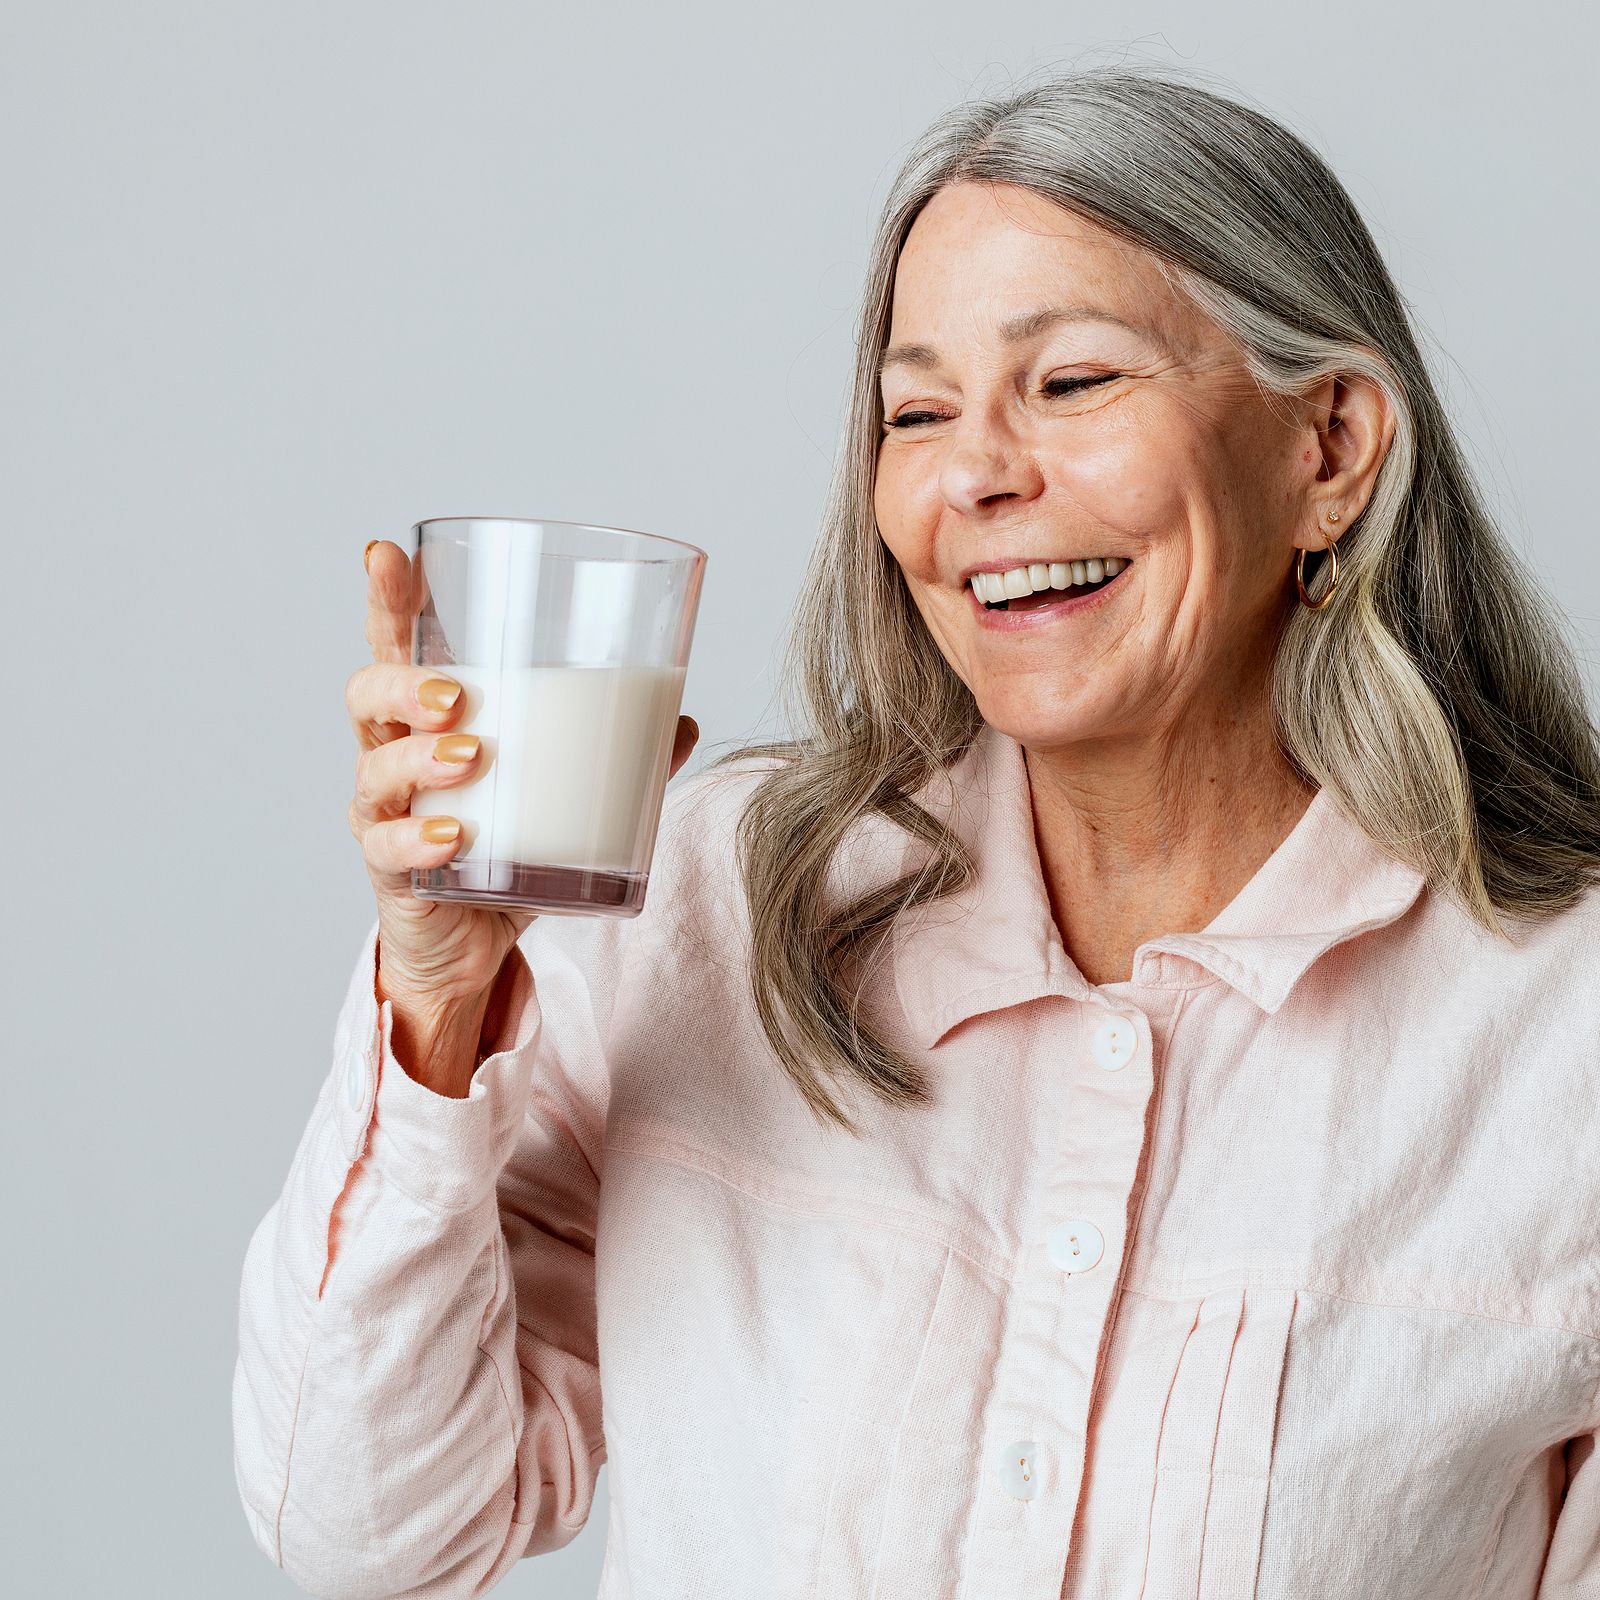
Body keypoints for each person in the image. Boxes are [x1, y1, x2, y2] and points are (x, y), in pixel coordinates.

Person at [233, 66, 1600, 1599]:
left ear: (1330, 447)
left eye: (1073, 383)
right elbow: (378, 1534)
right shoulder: (719, 895)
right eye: (917, 409)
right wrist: (435, 996)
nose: (973, 474)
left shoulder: (1564, 1022)